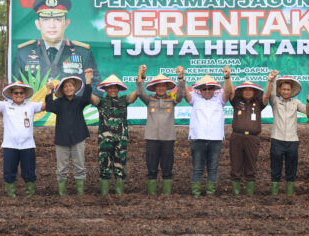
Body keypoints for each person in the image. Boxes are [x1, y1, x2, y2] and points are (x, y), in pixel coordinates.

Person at [14, 0, 102, 95]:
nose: (52, 25)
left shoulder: (82, 52)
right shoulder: (24, 52)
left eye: (57, 20)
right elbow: (15, 86)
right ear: (38, 24)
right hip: (37, 110)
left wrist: (79, 104)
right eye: (46, 20)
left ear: (66, 23)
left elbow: (96, 87)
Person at [180, 66, 233, 197]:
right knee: (197, 167)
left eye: (210, 88)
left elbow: (228, 91)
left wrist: (227, 77)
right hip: (198, 139)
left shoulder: (220, 99)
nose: (207, 91)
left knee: (213, 168)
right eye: (204, 89)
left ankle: (210, 193)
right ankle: (196, 193)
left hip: (215, 139)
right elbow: (185, 93)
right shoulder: (194, 99)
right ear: (200, 90)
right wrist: (182, 78)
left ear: (215, 90)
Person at [0, 79, 46, 197]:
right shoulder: (5, 106)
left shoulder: (31, 106)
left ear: (25, 94)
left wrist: (50, 91)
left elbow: (45, 105)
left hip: (28, 145)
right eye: (16, 93)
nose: (19, 95)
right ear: (11, 94)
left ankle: (30, 193)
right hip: (10, 145)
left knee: (29, 171)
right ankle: (11, 194)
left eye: (21, 93)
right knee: (9, 171)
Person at [136, 66, 185, 196]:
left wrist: (181, 78)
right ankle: (152, 194)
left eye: (163, 86)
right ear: (155, 88)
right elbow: (140, 92)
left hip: (168, 138)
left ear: (167, 88)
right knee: (151, 166)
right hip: (152, 138)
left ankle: (166, 194)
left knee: (167, 167)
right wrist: (141, 75)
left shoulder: (172, 99)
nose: (161, 88)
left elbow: (180, 95)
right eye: (158, 86)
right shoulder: (150, 100)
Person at [89, 71, 139, 196]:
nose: (113, 90)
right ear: (105, 89)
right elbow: (89, 97)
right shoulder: (101, 102)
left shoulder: (123, 100)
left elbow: (137, 93)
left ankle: (119, 194)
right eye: (110, 87)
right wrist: (88, 81)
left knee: (120, 166)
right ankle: (104, 194)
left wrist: (140, 76)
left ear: (119, 89)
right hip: (104, 142)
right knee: (104, 166)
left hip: (121, 141)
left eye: (115, 87)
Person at [44, 68, 93, 196]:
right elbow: (49, 107)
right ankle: (62, 194)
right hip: (61, 140)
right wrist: (49, 91)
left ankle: (80, 194)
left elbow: (87, 98)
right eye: (65, 86)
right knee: (61, 168)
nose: (68, 88)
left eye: (71, 85)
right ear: (62, 90)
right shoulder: (58, 103)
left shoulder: (79, 101)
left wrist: (88, 81)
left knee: (80, 166)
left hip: (78, 137)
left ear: (75, 88)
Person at [228, 72, 276, 196]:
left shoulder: (259, 103)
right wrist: (228, 77)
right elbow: (230, 91)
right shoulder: (236, 102)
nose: (248, 91)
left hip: (253, 139)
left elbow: (266, 95)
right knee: (235, 165)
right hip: (237, 137)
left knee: (251, 165)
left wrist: (270, 81)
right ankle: (236, 193)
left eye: (251, 90)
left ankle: (250, 193)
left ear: (254, 92)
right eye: (245, 90)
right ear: (241, 92)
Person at [269, 74, 306, 196]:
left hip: (292, 141)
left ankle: (289, 194)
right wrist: (273, 79)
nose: (285, 92)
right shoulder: (275, 102)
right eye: (283, 89)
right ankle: (274, 195)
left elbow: (308, 111)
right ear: (279, 90)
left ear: (291, 91)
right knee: (275, 169)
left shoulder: (296, 103)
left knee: (291, 169)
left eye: (288, 89)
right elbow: (271, 93)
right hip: (277, 140)